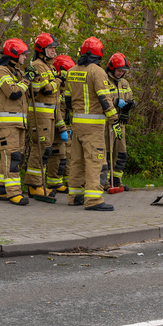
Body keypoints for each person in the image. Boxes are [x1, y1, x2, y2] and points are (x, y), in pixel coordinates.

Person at [64, 36, 121, 211]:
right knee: (95, 161)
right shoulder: (97, 71)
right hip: (93, 126)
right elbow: (105, 99)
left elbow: (67, 100)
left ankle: (74, 196)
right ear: (99, 54)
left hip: (77, 124)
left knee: (77, 161)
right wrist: (115, 120)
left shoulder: (72, 70)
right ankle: (93, 200)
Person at [24, 33, 65, 202]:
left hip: (49, 114)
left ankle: (39, 183)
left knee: (46, 149)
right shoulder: (38, 66)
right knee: (40, 148)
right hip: (40, 115)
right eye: (50, 48)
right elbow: (47, 89)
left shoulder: (48, 67)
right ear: (41, 50)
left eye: (54, 48)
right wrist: (58, 81)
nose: (53, 51)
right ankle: (34, 186)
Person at [0, 38, 31, 206]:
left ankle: (2, 189)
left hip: (18, 123)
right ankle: (14, 193)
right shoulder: (0, 72)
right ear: (14, 55)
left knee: (10, 157)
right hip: (6, 124)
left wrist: (30, 77)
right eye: (23, 55)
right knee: (12, 157)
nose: (25, 59)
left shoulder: (16, 72)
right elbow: (13, 92)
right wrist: (26, 81)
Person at [46, 54, 75, 193]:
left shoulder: (66, 89)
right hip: (58, 128)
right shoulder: (56, 89)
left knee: (66, 156)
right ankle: (53, 182)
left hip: (66, 127)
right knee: (57, 154)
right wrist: (62, 127)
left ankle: (63, 181)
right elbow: (56, 110)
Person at [105, 52, 134, 191]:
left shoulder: (124, 83)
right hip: (107, 123)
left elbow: (130, 98)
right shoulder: (104, 80)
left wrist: (129, 106)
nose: (120, 73)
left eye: (122, 71)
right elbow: (101, 99)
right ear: (112, 68)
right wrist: (115, 101)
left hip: (120, 124)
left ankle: (117, 179)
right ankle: (105, 181)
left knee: (120, 152)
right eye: (118, 71)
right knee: (107, 152)